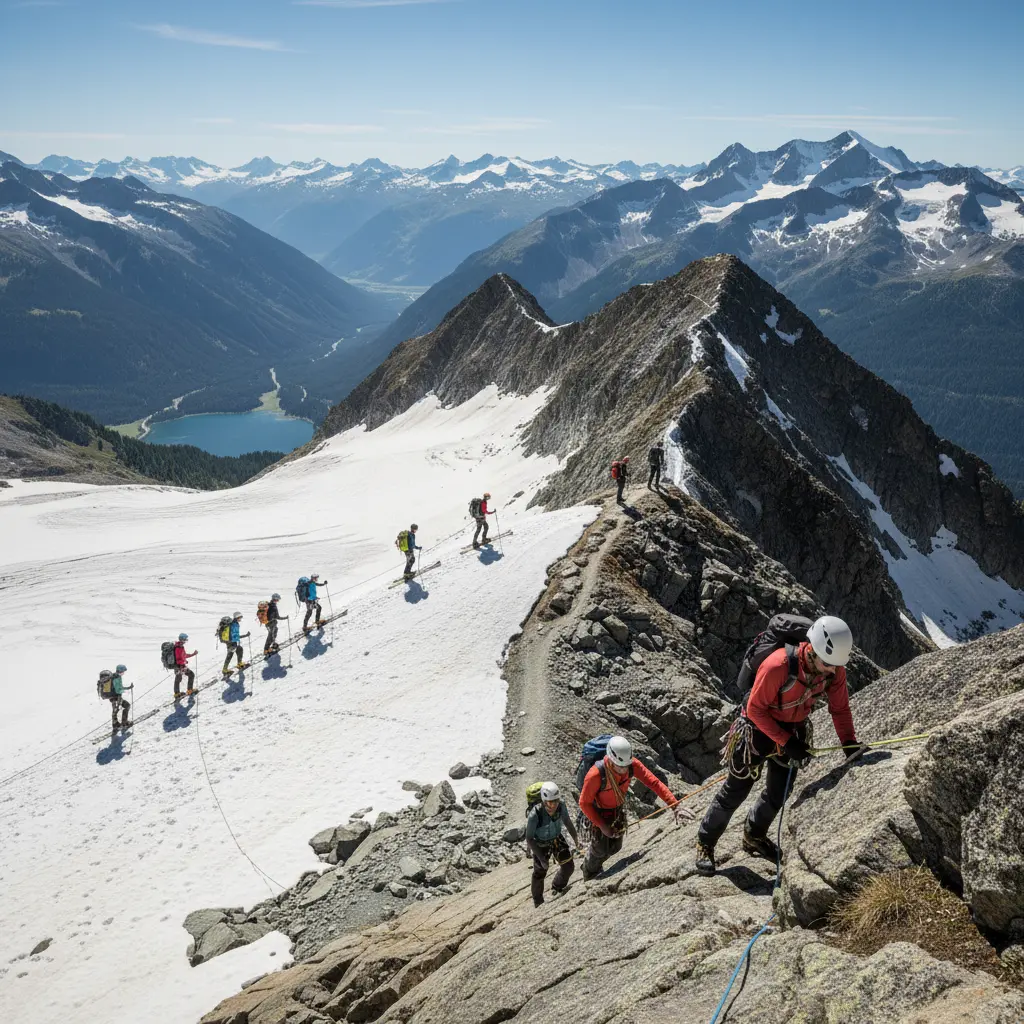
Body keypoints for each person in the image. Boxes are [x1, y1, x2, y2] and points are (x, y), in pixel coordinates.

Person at [695, 615, 863, 876]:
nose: (832, 670)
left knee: (779, 793)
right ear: (813, 650)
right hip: (757, 730)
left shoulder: (834, 669)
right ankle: (705, 842)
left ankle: (754, 835)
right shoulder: (778, 665)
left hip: (792, 731)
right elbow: (756, 709)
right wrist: (786, 741)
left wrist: (849, 743)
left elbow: (839, 709)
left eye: (836, 665)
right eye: (828, 663)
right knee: (735, 791)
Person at [578, 735, 692, 879]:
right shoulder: (595, 774)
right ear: (611, 760)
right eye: (620, 766)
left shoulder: (631, 765)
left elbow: (654, 783)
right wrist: (601, 825)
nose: (624, 769)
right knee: (600, 848)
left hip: (616, 810)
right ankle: (589, 870)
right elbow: (584, 803)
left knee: (615, 846)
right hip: (598, 811)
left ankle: (595, 861)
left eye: (626, 765)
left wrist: (675, 806)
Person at [526, 781, 580, 906]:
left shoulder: (561, 805)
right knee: (540, 873)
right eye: (550, 802)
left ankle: (557, 887)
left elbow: (567, 821)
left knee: (568, 866)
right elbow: (529, 838)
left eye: (556, 801)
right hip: (540, 844)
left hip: (556, 838)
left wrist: (576, 838)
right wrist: (541, 858)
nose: (554, 805)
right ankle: (538, 901)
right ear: (544, 801)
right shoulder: (535, 814)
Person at [99, 665, 130, 731]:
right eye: (123, 671)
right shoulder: (117, 677)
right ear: (120, 671)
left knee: (115, 710)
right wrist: (123, 690)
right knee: (127, 705)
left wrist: (127, 688)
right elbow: (118, 690)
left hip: (112, 697)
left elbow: (117, 687)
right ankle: (124, 723)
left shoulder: (112, 676)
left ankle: (115, 725)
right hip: (116, 697)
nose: (123, 673)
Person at [173, 633, 198, 699]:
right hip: (180, 666)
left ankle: (177, 694)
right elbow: (178, 659)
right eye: (185, 639)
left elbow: (184, 655)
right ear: (182, 639)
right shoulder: (178, 647)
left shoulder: (180, 646)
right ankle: (188, 691)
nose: (186, 641)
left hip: (179, 666)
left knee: (178, 679)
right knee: (190, 675)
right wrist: (184, 662)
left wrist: (193, 654)